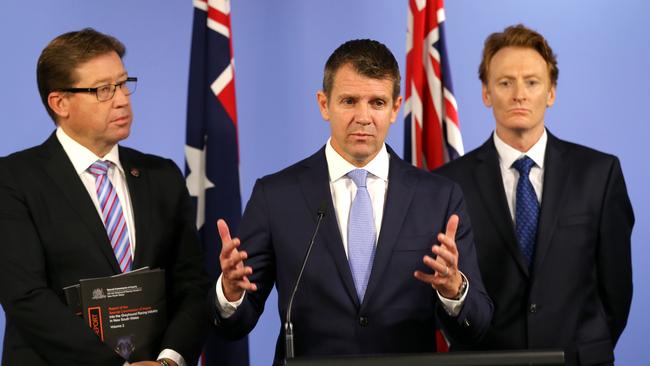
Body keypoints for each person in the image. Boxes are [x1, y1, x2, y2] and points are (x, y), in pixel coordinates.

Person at [211, 39, 493, 364]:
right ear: (323, 104)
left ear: (396, 107)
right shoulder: (276, 196)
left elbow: (477, 325)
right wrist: (230, 294)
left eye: (377, 102)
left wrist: (454, 290)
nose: (363, 116)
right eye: (349, 101)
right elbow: (234, 324)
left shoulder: (439, 198)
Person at [0, 28, 210, 366]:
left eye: (124, 84)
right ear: (60, 102)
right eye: (103, 90)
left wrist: (170, 360)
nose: (122, 99)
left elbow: (191, 284)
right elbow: (26, 297)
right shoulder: (13, 180)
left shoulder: (162, 176)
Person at [436, 24, 634, 365]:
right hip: (484, 360)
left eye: (532, 82)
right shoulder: (448, 183)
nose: (519, 94)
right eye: (504, 82)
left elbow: (616, 293)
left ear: (551, 92)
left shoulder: (599, 174)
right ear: (486, 93)